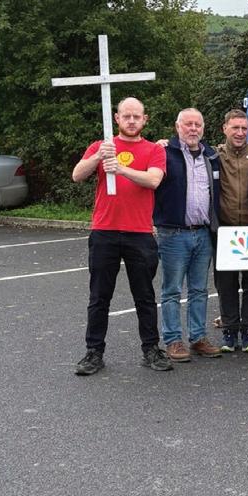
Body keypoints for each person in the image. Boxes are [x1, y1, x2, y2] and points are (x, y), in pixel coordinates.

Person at [72, 97, 172, 375]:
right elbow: (77, 175)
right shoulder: (100, 146)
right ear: (116, 118)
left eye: (136, 116)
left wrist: (120, 168)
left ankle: (150, 349)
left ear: (145, 119)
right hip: (104, 231)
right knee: (99, 296)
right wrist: (98, 157)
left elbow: (153, 180)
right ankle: (94, 352)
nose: (131, 121)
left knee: (144, 296)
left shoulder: (154, 150)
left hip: (139, 233)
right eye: (126, 116)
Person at [154, 108, 222, 362]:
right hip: (173, 234)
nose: (193, 129)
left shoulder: (211, 155)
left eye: (197, 124)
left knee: (199, 290)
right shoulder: (164, 153)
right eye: (188, 124)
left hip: (203, 233)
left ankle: (198, 337)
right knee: (172, 290)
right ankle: (173, 340)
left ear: (203, 128)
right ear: (177, 127)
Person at [214, 109, 248, 353]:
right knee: (226, 284)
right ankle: (229, 331)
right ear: (224, 128)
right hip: (225, 230)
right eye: (235, 127)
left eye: (244, 128)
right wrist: (163, 144)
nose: (240, 132)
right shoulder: (214, 154)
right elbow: (185, 150)